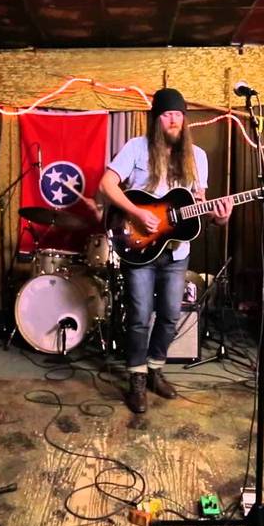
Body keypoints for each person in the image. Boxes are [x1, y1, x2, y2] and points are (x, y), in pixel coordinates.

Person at [99, 88, 233, 414]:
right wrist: (136, 212)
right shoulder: (136, 147)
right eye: (167, 114)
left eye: (179, 115)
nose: (174, 120)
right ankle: (137, 378)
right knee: (140, 315)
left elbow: (199, 204)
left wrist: (220, 216)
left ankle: (155, 369)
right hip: (140, 246)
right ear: (156, 119)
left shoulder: (197, 156)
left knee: (171, 314)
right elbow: (106, 184)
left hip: (176, 251)